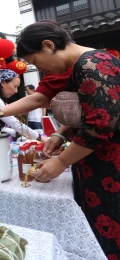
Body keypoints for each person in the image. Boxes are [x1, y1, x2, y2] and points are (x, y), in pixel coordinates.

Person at [15, 19, 120, 257]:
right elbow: (91, 112)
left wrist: (61, 162)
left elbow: (100, 126)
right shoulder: (83, 64)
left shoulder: (91, 63)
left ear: (48, 45)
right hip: (95, 162)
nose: (42, 70)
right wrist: (61, 134)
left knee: (109, 233)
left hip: (110, 166)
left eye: (35, 62)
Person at [0, 69, 45, 142]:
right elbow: (15, 124)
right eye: (15, 86)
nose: (16, 91)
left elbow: (0, 128)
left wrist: (15, 132)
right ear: (3, 83)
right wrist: (40, 138)